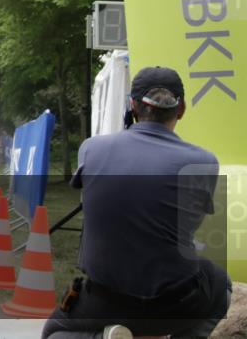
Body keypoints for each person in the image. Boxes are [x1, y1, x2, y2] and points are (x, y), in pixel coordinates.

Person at [42, 67, 230, 339]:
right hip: (175, 304)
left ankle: (102, 337)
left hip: (105, 301)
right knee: (220, 283)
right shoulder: (204, 162)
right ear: (181, 109)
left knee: (53, 333)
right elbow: (188, 225)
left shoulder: (91, 148)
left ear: (132, 105)